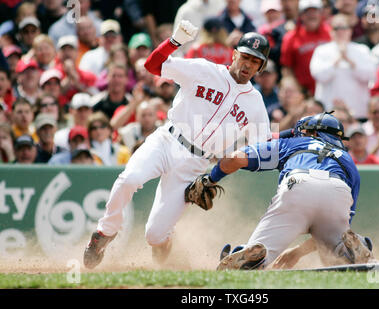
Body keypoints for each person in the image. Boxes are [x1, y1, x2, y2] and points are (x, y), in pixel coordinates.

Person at [83, 22, 272, 269]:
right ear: (234, 54)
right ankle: (104, 233)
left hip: (196, 164)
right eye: (245, 56)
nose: (248, 64)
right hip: (168, 140)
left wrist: (293, 135)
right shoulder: (203, 70)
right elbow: (152, 66)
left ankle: (166, 256)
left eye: (255, 61)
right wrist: (173, 41)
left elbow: (264, 147)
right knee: (129, 179)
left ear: (261, 67)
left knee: (155, 235)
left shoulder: (255, 103)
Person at [207, 112, 373, 270]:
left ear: (312, 133)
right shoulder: (349, 161)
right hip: (338, 189)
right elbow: (347, 219)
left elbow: (235, 158)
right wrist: (297, 252)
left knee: (261, 250)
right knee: (335, 254)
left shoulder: (294, 143)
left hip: (299, 186)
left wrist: (211, 179)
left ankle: (251, 260)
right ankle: (348, 251)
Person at [310, 14, 376, 121]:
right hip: (328, 114)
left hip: (358, 113)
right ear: (331, 31)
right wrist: (338, 58)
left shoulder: (362, 50)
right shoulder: (321, 50)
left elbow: (370, 75)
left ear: (350, 30)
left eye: (344, 28)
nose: (340, 31)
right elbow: (319, 75)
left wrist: (350, 61)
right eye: (336, 28)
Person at [280, 0, 332, 96]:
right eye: (307, 12)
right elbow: (287, 68)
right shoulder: (291, 37)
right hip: (305, 93)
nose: (311, 15)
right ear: (301, 15)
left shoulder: (331, 32)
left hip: (330, 89)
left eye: (315, 11)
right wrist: (298, 91)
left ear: (321, 13)